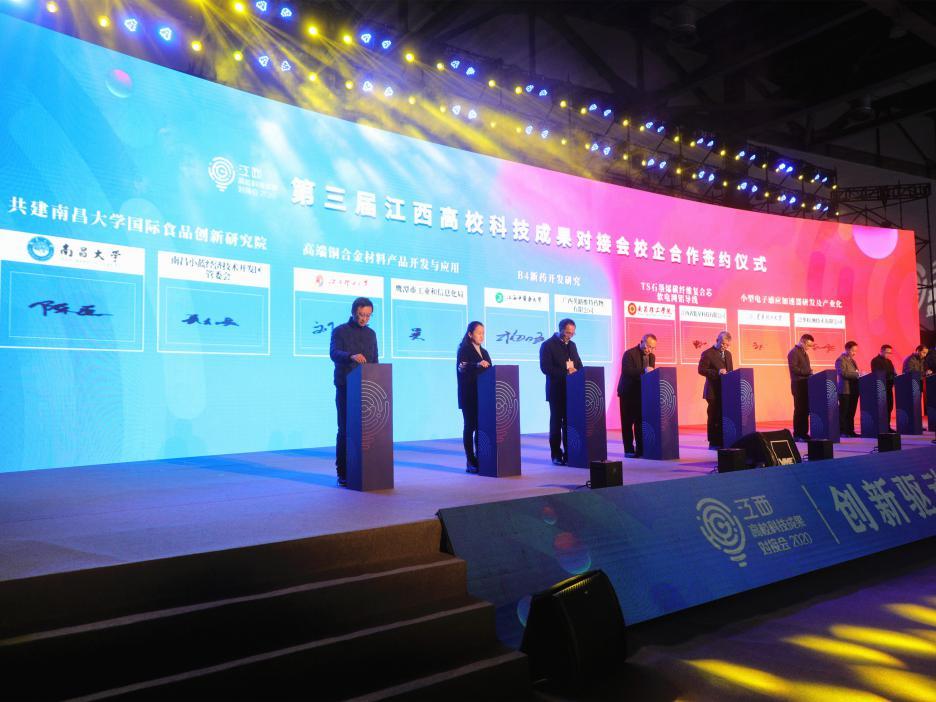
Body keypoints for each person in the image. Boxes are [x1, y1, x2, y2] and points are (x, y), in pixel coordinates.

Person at [329, 297, 379, 487]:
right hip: (345, 386)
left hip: (367, 389)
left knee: (366, 431)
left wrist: (377, 379)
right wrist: (351, 356)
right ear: (353, 312)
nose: (364, 318)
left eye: (368, 315)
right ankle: (342, 472)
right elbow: (334, 353)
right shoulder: (340, 330)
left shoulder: (371, 334)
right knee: (345, 430)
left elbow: (374, 360)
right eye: (361, 314)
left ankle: (363, 469)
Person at [539, 318, 583, 465]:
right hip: (556, 390)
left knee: (569, 423)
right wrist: (566, 373)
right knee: (556, 423)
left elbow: (579, 364)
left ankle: (569, 453)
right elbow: (545, 368)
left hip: (571, 391)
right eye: (568, 333)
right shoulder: (547, 345)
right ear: (561, 329)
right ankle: (556, 455)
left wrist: (577, 371)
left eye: (572, 333)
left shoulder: (573, 345)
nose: (570, 336)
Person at [456, 321, 492, 473]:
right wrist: (477, 365)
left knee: (480, 427)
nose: (481, 336)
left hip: (482, 396)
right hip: (469, 395)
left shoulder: (485, 352)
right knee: (469, 426)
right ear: (470, 334)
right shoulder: (464, 349)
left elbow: (490, 371)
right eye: (478, 333)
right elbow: (462, 367)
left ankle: (480, 458)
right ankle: (470, 461)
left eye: (483, 333)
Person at [617, 334, 657, 458]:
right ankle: (629, 449)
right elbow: (627, 371)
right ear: (642, 342)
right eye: (648, 346)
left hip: (642, 393)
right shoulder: (629, 354)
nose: (649, 349)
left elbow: (650, 374)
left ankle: (641, 449)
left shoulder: (652, 357)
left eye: (652, 347)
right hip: (628, 393)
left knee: (640, 422)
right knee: (627, 423)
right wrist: (643, 371)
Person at [698, 331, 733, 449]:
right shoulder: (707, 353)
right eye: (722, 343)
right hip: (712, 391)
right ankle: (713, 442)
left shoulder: (728, 354)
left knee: (724, 416)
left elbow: (730, 371)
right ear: (717, 340)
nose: (724, 346)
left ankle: (723, 440)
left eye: (727, 345)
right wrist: (717, 372)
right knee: (714, 416)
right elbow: (701, 370)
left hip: (725, 391)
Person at [788, 334, 814, 442]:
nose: (809, 348)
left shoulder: (804, 353)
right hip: (798, 384)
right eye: (808, 345)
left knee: (805, 410)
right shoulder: (793, 352)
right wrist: (808, 372)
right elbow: (794, 369)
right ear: (802, 341)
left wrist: (810, 373)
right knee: (799, 409)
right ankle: (798, 434)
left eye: (811, 346)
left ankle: (804, 433)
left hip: (806, 384)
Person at [836, 341, 861, 437]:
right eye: (853, 350)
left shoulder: (853, 361)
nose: (854, 353)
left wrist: (859, 374)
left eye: (856, 351)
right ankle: (842, 431)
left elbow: (856, 373)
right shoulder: (840, 360)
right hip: (845, 390)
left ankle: (850, 430)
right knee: (844, 412)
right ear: (847, 349)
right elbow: (842, 373)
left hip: (854, 390)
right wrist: (857, 374)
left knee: (851, 412)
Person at [871, 344, 897, 432]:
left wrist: (895, 376)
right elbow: (877, 373)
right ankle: (881, 427)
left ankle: (887, 426)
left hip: (889, 387)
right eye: (887, 352)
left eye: (890, 353)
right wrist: (889, 375)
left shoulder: (889, 361)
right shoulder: (875, 360)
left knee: (889, 407)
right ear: (881, 351)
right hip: (881, 388)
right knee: (882, 408)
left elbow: (893, 372)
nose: (888, 354)